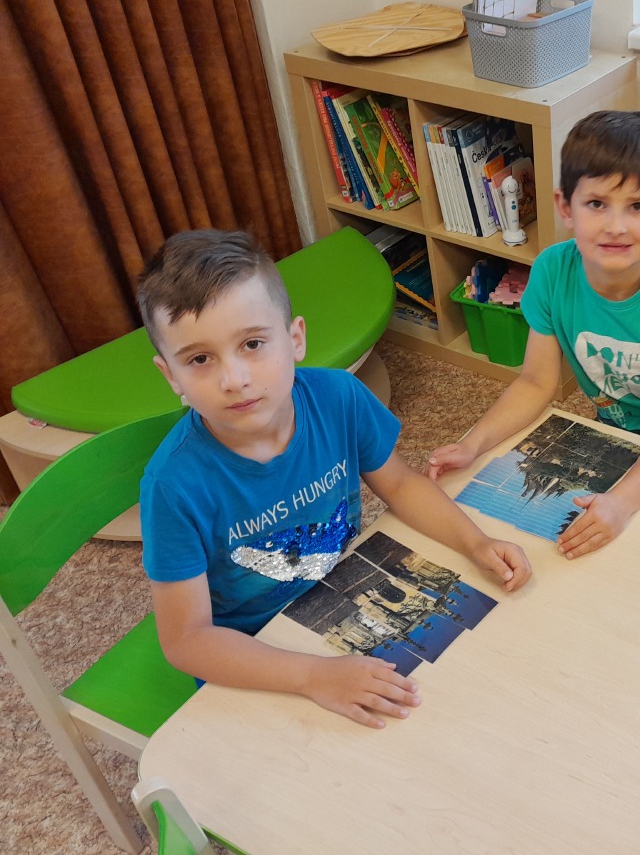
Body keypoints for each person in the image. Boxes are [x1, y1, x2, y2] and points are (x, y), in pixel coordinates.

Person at [138, 229, 531, 729]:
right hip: (255, 655)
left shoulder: (339, 396)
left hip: (344, 594)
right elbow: (187, 641)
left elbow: (401, 485)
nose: (234, 379)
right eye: (199, 359)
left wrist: (475, 543)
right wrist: (312, 676)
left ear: (295, 338)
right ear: (170, 375)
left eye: (253, 344)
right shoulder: (171, 486)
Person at [428, 110, 640, 558]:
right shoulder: (551, 271)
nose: (616, 226)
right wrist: (473, 444)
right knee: (582, 521)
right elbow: (535, 383)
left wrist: (622, 503)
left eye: (637, 206)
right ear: (565, 207)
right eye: (596, 204)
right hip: (623, 417)